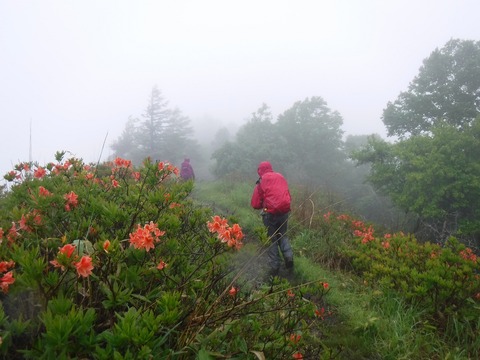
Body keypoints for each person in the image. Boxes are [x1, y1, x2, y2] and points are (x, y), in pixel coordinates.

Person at [251, 161, 293, 276]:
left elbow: (255, 203)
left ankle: (274, 267)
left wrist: (263, 204)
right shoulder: (280, 176)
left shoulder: (261, 181)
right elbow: (287, 194)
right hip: (284, 212)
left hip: (269, 214)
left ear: (260, 170)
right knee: (283, 235)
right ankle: (289, 257)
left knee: (272, 239)